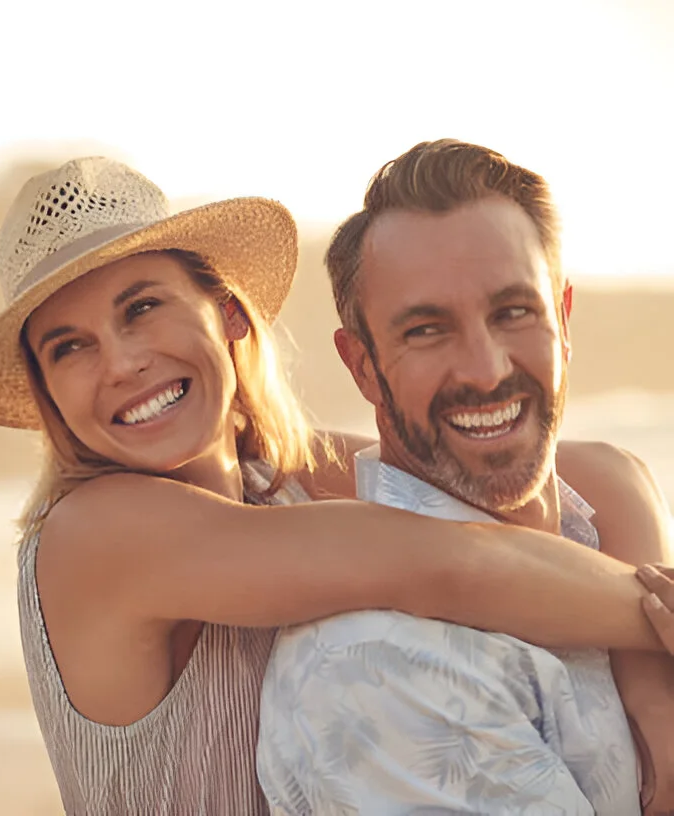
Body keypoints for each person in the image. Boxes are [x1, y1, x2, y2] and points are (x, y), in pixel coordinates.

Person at [0, 155, 674, 814]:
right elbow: (448, 561)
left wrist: (653, 691)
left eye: (143, 307)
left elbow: (608, 471)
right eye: (71, 348)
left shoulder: (276, 479)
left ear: (226, 312)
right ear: (48, 394)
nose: (123, 363)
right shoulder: (94, 534)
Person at [255, 139, 673, 814]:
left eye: (513, 312)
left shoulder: (594, 522)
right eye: (427, 330)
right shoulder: (384, 668)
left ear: (562, 320)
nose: (485, 369)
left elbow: (613, 467)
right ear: (362, 366)